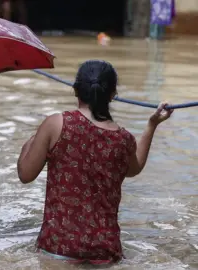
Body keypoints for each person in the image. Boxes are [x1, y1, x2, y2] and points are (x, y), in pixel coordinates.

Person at [17, 60, 173, 264]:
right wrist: (152, 125)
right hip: (105, 252)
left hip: (58, 248)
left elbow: (25, 175)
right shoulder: (123, 138)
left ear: (75, 90)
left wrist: (32, 141)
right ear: (113, 95)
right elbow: (134, 168)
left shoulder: (56, 123)